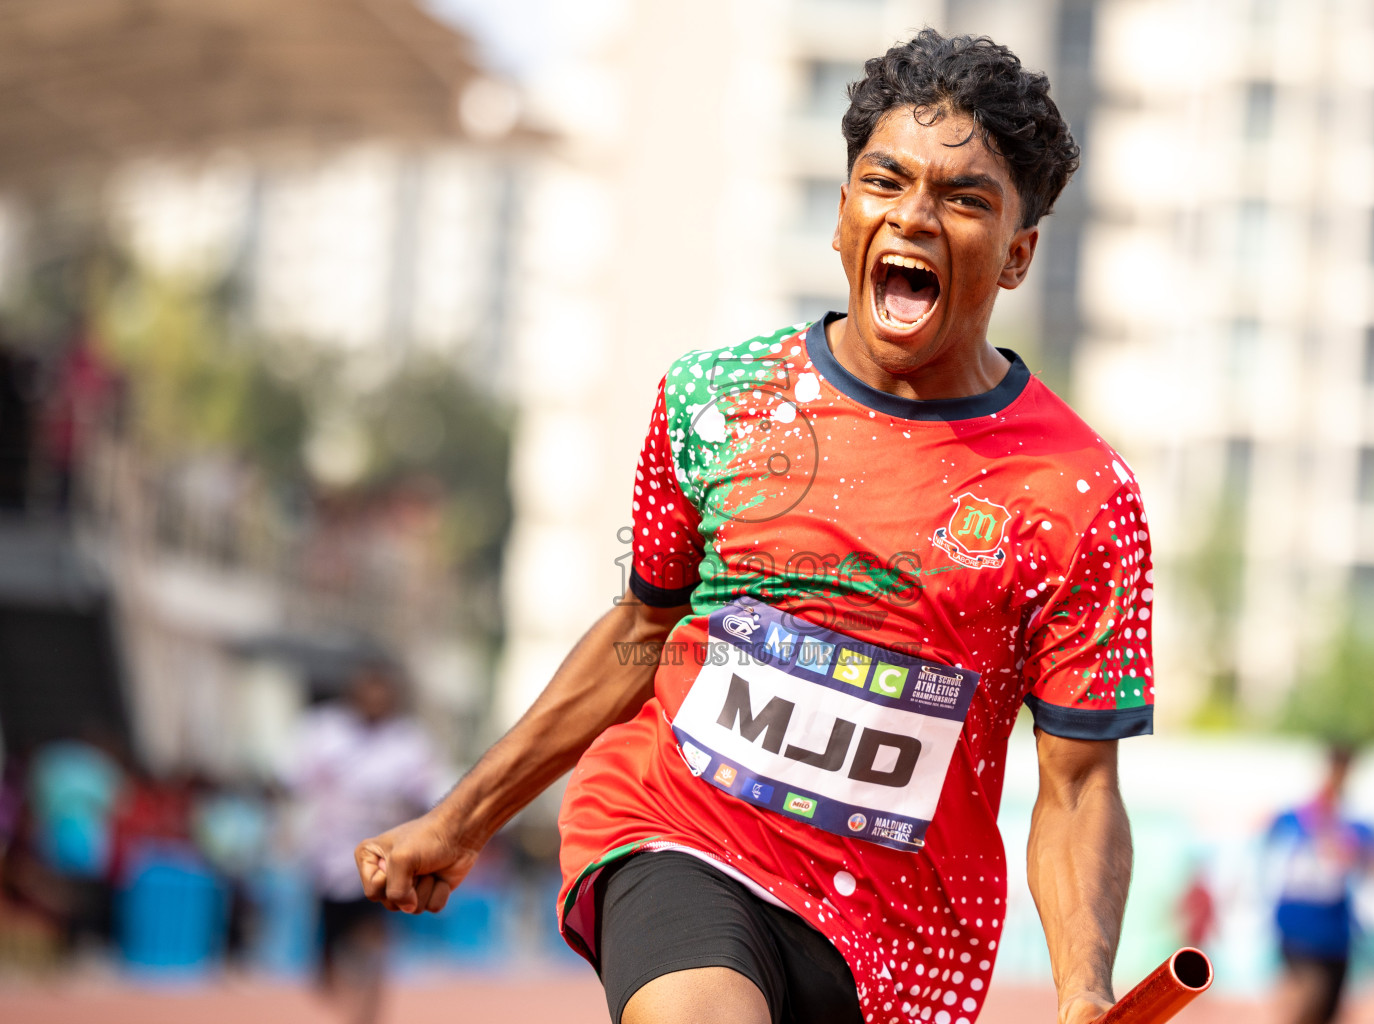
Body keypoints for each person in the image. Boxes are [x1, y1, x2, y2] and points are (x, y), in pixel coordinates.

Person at [357, 30, 1156, 1024]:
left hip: (898, 942)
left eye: (964, 199)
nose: (913, 216)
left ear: (1019, 255)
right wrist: (462, 818)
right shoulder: (718, 400)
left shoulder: (1078, 495)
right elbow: (640, 636)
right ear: (841, 216)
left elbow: (1078, 787)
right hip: (678, 834)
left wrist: (1086, 987)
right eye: (886, 182)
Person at [288, 660, 448, 1024]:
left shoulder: (409, 743)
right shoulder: (324, 732)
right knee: (328, 963)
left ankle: (367, 1015)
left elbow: (431, 795)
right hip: (329, 862)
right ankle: (331, 975)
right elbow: (293, 783)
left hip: (383, 862)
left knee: (373, 943)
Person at [1266, 744, 1374, 1024]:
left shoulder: (1353, 825)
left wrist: (1360, 853)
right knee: (1311, 992)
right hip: (1297, 925)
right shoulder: (1297, 817)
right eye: (1337, 769)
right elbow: (1268, 832)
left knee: (1327, 1012)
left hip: (1335, 934)